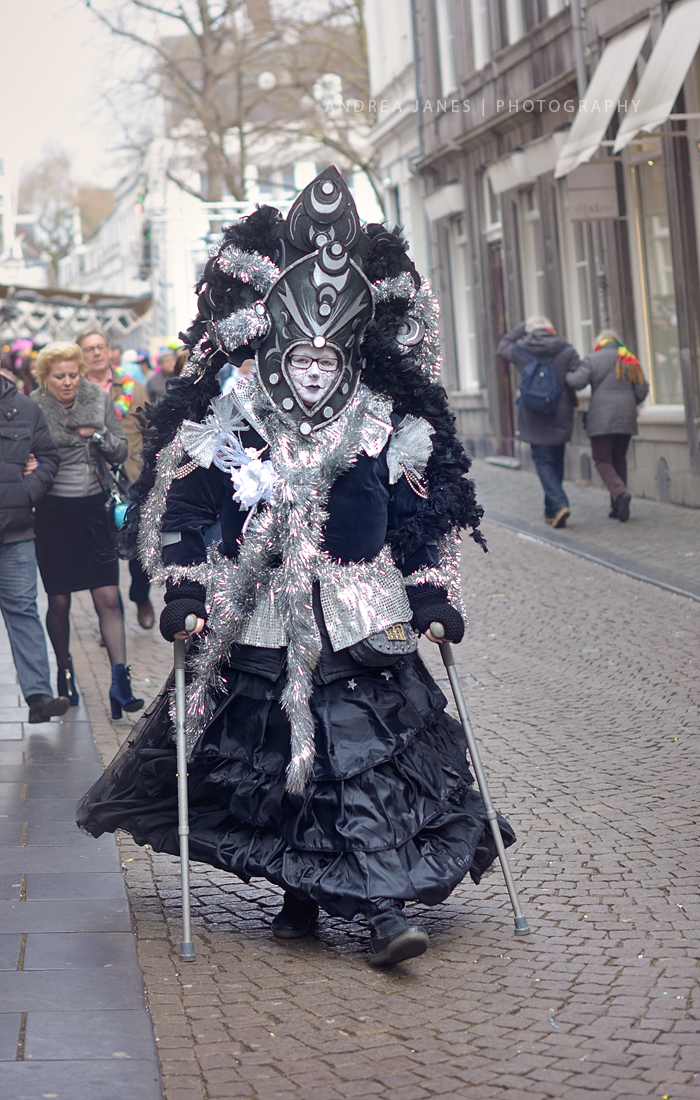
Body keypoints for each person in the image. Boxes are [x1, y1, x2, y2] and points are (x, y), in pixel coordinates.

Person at [77, 166, 515, 968]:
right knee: (279, 762)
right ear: (276, 343)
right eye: (298, 353)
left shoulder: (383, 423)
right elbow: (188, 513)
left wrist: (430, 593)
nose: (312, 369)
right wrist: (180, 590)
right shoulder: (232, 419)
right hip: (263, 622)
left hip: (361, 621)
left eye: (327, 353)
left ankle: (382, 908)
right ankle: (300, 887)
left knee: (359, 761)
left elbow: (420, 519)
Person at [30, 342, 144, 718]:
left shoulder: (98, 399)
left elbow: (120, 450)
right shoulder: (33, 408)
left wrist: (94, 435)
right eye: (59, 376)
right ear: (44, 379)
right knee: (59, 601)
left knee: (109, 597)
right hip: (52, 513)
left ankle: (120, 681)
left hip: (94, 510)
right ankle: (64, 673)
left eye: (73, 375)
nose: (67, 382)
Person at [0, 356, 70, 723]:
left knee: (24, 610)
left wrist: (26, 492)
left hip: (15, 532)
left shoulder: (23, 407)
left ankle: (39, 696)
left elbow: (48, 458)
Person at [77, 329, 154, 629]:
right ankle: (112, 619)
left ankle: (141, 596)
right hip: (95, 481)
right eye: (88, 349)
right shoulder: (78, 392)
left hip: (133, 479)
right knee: (102, 554)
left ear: (110, 351)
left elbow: (151, 427)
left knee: (139, 548)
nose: (95, 353)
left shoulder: (133, 386)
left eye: (100, 347)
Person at [497, 316, 580, 528]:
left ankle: (558, 505)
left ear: (530, 331)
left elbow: (502, 346)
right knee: (557, 460)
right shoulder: (567, 349)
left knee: (543, 462)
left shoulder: (520, 349)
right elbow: (578, 375)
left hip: (533, 412)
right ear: (551, 330)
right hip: (560, 412)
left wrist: (522, 326)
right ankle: (552, 511)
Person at [566, 329, 649, 522]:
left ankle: (620, 493)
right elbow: (642, 390)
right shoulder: (630, 360)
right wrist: (628, 402)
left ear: (600, 343)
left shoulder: (593, 359)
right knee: (619, 458)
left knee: (602, 459)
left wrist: (565, 374)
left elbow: (577, 382)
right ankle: (618, 507)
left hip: (602, 418)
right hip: (627, 417)